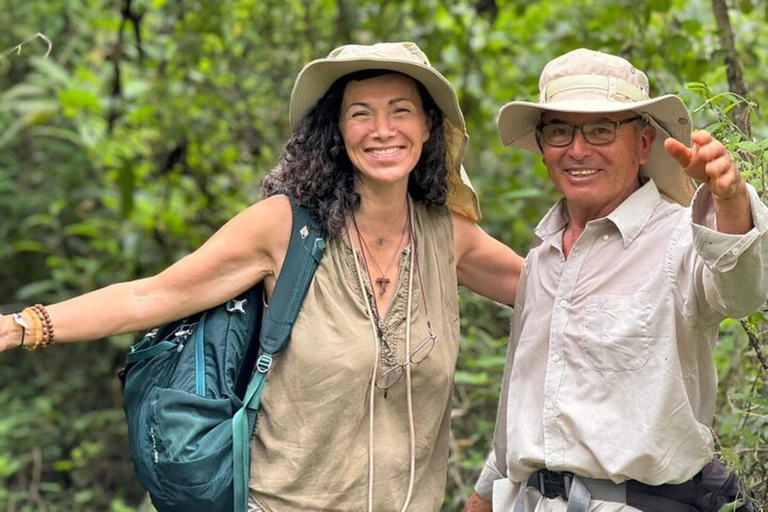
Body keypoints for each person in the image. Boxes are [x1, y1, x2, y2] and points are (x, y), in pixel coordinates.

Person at [0, 42, 523, 511]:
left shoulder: (448, 237)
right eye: (361, 114)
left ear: (429, 127)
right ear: (337, 133)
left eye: (400, 111)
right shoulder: (285, 226)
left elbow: (560, 296)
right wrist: (22, 325)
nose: (382, 130)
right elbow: (151, 296)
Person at [465, 48, 767, 512]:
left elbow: (741, 292)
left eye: (602, 129)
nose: (578, 149)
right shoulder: (545, 253)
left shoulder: (678, 240)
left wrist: (729, 200)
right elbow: (539, 396)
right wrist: (487, 492)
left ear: (644, 143)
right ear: (543, 145)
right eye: (560, 130)